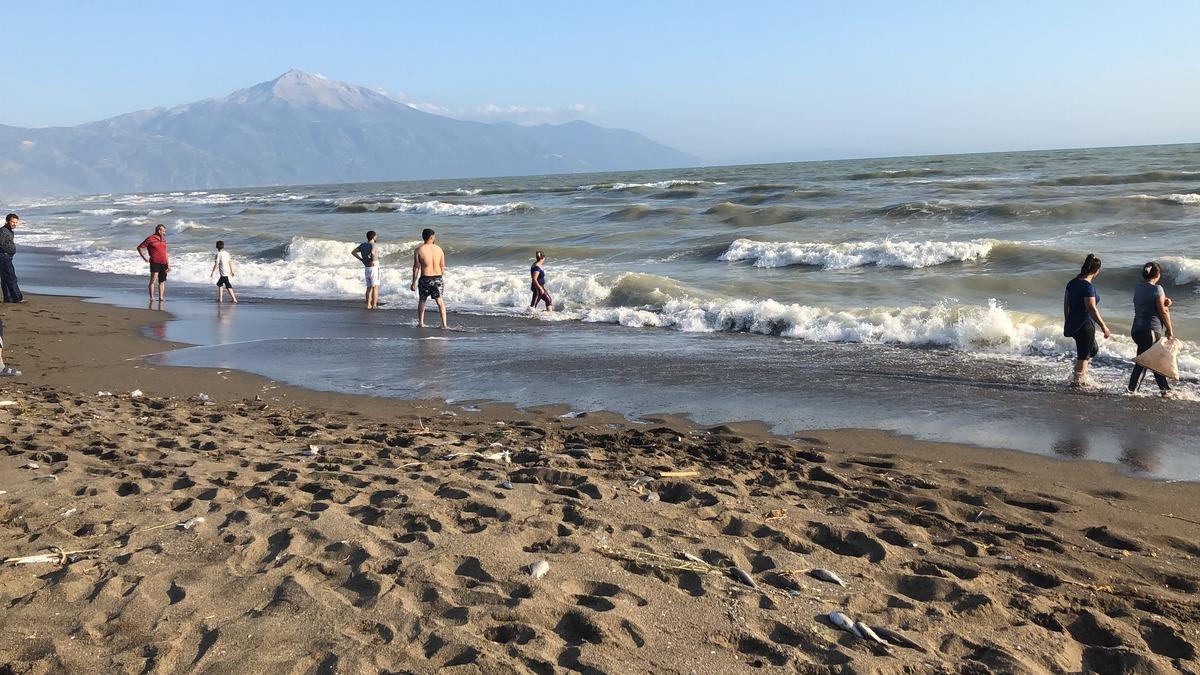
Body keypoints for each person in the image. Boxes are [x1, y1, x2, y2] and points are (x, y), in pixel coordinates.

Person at [1063, 254, 1111, 388]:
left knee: (1093, 349)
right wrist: (1103, 326)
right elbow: (1091, 308)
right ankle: (1077, 382)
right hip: (1085, 325)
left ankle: (1079, 375)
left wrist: (1067, 321)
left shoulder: (1072, 283)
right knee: (1083, 355)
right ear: (1097, 271)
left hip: (1074, 323)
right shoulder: (1088, 287)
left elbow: (1066, 304)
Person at [1127, 261, 1174, 396]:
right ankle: (1132, 390)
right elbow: (1162, 311)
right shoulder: (1157, 288)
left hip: (1137, 329)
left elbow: (1149, 303)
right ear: (1157, 274)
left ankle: (1165, 390)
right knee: (1145, 362)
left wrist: (1166, 301)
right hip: (1151, 330)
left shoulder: (1138, 288)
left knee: (1153, 361)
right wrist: (1169, 330)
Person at [411, 228, 447, 328]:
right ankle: (444, 324)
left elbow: (416, 267)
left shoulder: (419, 250)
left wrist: (413, 282)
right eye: (434, 236)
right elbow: (442, 266)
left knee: (422, 300)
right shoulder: (439, 249)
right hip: (437, 278)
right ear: (431, 237)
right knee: (440, 301)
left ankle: (421, 323)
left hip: (425, 278)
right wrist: (440, 278)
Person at [136, 224, 169, 301]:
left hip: (164, 262)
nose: (164, 232)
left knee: (162, 281)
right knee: (153, 280)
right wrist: (144, 257)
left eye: (165, 231)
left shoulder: (163, 239)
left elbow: (165, 252)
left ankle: (161, 297)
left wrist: (168, 264)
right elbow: (140, 247)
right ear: (159, 230)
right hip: (155, 262)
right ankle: (152, 298)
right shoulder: (150, 239)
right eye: (163, 231)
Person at [352, 230, 381, 309]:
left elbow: (353, 252)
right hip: (374, 267)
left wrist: (361, 259)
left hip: (367, 267)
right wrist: (372, 260)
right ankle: (374, 305)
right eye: (376, 236)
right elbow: (372, 252)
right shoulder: (374, 245)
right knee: (375, 287)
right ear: (374, 237)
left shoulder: (363, 245)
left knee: (369, 287)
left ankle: (368, 304)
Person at [1, 213, 24, 303]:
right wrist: (8, 251)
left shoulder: (9, 231)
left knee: (5, 277)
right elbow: (1, 244)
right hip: (4, 256)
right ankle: (17, 298)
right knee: (11, 277)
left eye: (16, 222)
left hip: (6, 256)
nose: (14, 224)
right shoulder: (3, 231)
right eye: (12, 222)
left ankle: (8, 298)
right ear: (7, 221)